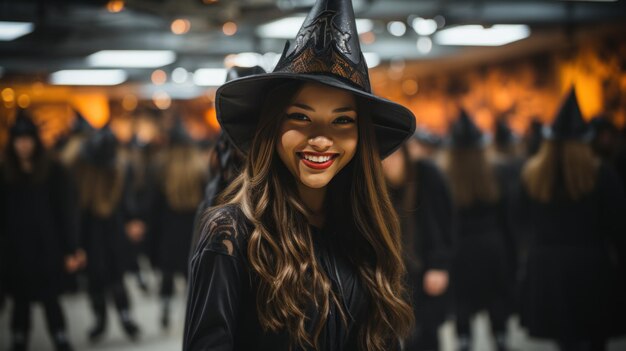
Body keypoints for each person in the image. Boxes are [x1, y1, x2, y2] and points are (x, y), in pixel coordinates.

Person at [183, 0, 416, 349]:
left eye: (342, 120)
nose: (322, 139)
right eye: (301, 117)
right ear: (273, 126)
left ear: (360, 135)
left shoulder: (365, 228)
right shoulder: (231, 232)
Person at [517, 89, 626, 351]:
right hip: (592, 267)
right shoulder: (601, 175)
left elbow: (520, 222)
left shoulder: (532, 175)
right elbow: (619, 227)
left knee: (565, 340)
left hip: (548, 268)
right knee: (595, 338)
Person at [0, 111, 80, 351]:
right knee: (20, 300)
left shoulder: (53, 171)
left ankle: (60, 335)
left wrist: (71, 248)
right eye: (19, 140)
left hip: (47, 246)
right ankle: (19, 337)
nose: (23, 145)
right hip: (16, 248)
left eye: (27, 140)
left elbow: (66, 211)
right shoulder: (5, 174)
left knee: (50, 297)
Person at [443, 110, 514, 351]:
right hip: (492, 245)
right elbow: (508, 218)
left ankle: (464, 340)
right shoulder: (497, 172)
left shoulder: (445, 176)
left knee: (463, 300)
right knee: (496, 298)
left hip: (460, 249)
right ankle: (501, 337)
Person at [382, 145, 453, 351]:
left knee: (424, 334)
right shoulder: (375, 180)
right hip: (391, 271)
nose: (388, 161)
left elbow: (444, 221)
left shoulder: (426, 174)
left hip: (423, 269)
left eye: (393, 153)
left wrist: (440, 264)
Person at [75, 125, 141, 343]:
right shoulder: (86, 173)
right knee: (96, 281)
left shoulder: (119, 170)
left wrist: (132, 219)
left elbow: (127, 200)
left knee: (115, 279)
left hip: (113, 230)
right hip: (93, 232)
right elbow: (78, 209)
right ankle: (102, 320)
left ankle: (124, 318)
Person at [151, 119, 207, 328]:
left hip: (169, 228)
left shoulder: (162, 167)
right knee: (190, 274)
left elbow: (154, 205)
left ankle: (165, 306)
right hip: (193, 227)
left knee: (167, 273)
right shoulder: (200, 167)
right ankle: (191, 313)